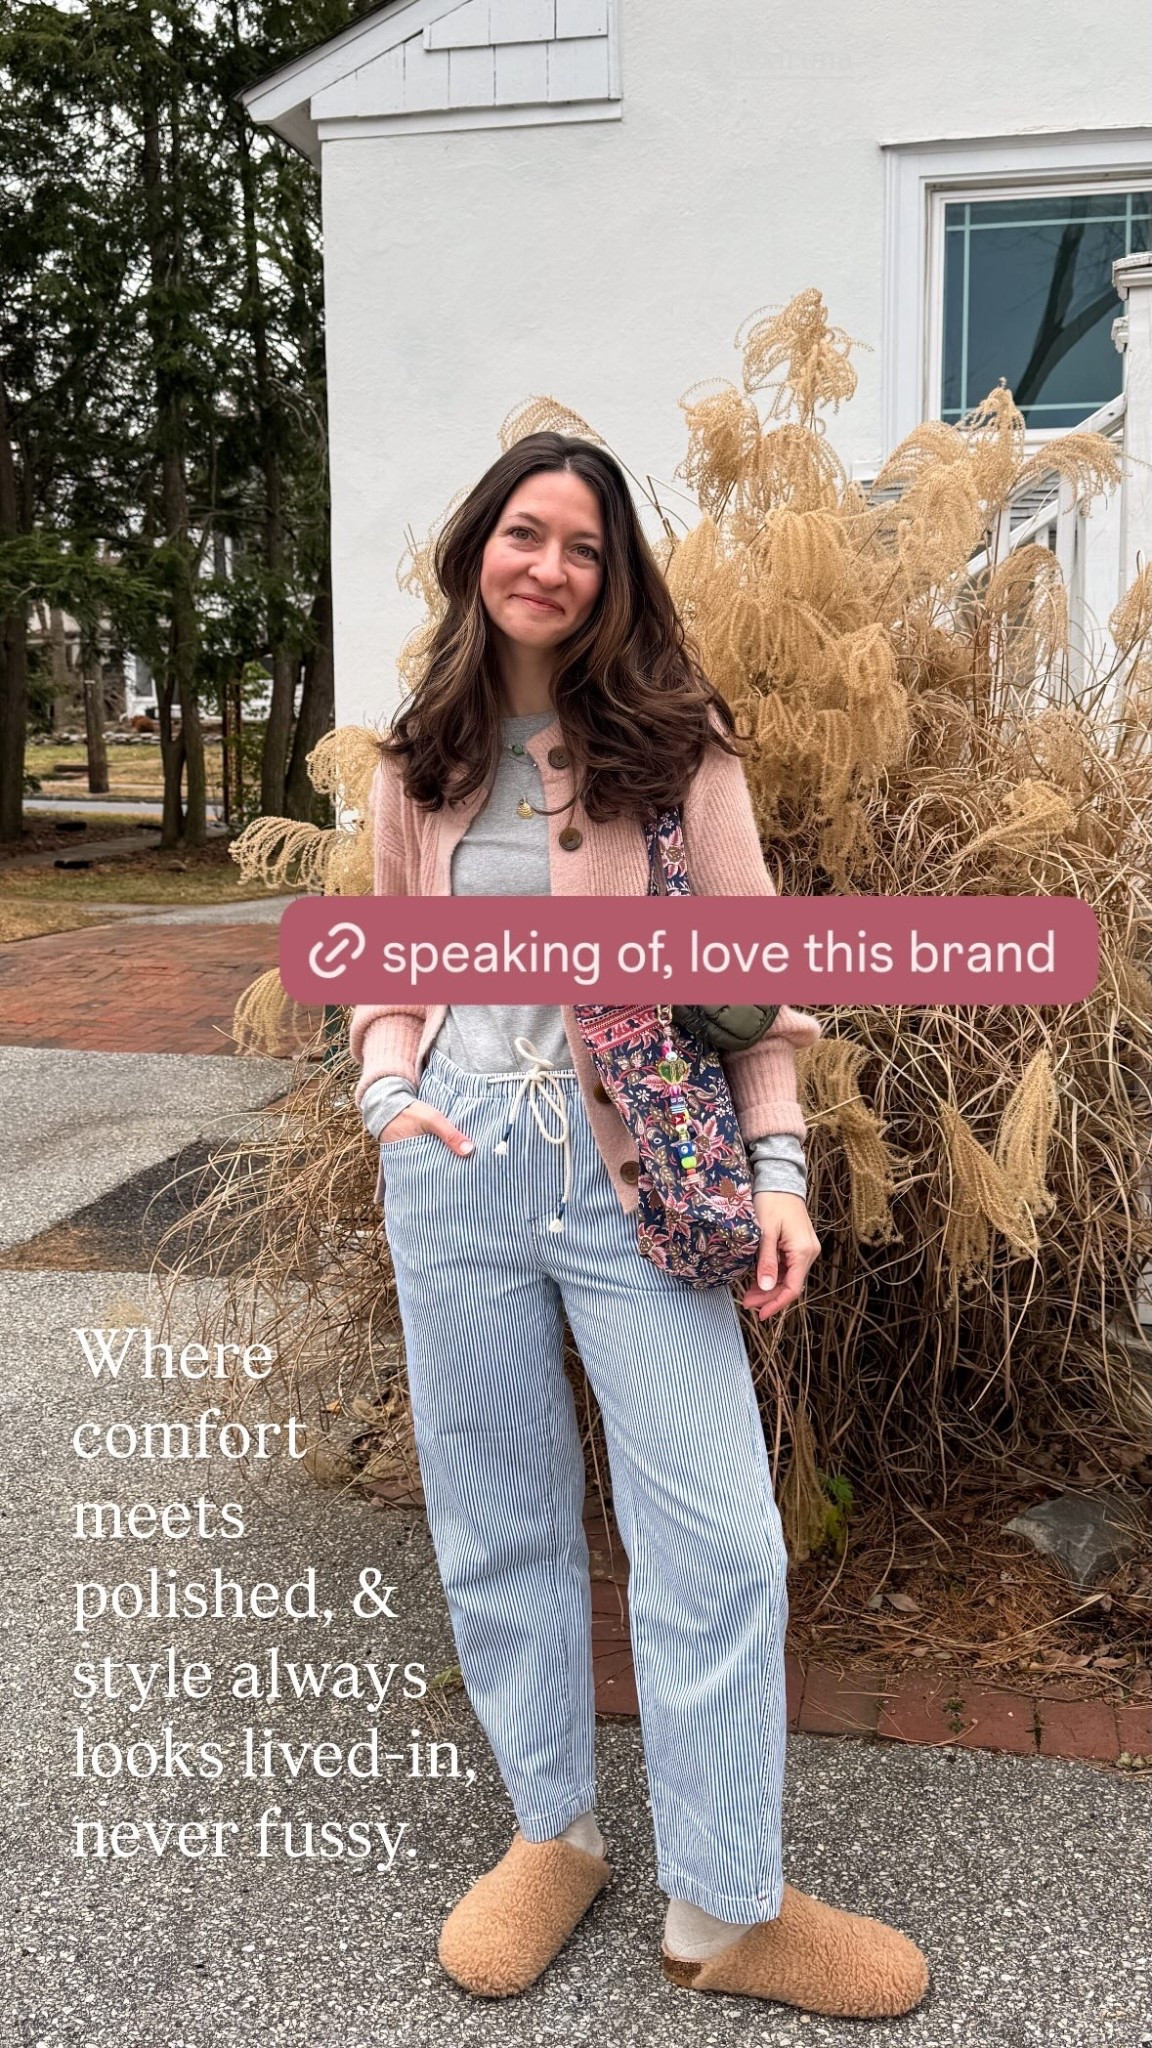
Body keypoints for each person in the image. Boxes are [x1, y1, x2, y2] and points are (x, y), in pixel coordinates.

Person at [349, 433, 928, 2019]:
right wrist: (387, 1092)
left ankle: (727, 1907)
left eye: (583, 546)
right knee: (496, 1521)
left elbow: (753, 994)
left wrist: (786, 1175)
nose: (548, 565)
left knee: (719, 1547)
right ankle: (555, 1833)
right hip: (456, 1175)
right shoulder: (421, 762)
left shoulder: (678, 751)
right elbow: (390, 971)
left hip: (638, 1189)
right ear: (481, 548)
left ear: (616, 576)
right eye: (523, 534)